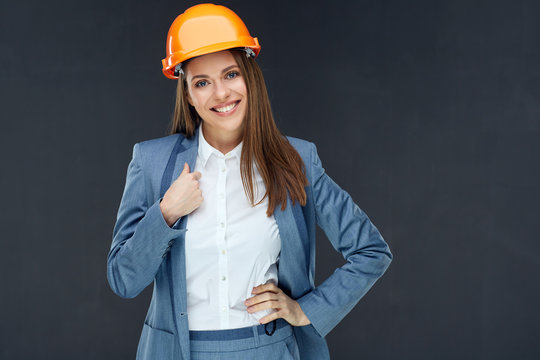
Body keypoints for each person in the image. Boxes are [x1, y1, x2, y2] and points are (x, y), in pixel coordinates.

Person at [107, 4, 392, 360]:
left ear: (250, 77)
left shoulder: (296, 160)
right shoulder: (151, 163)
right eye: (202, 83)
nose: (221, 94)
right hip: (178, 352)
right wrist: (165, 213)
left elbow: (371, 251)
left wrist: (305, 310)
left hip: (270, 349)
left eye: (230, 75)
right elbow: (123, 279)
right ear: (188, 95)